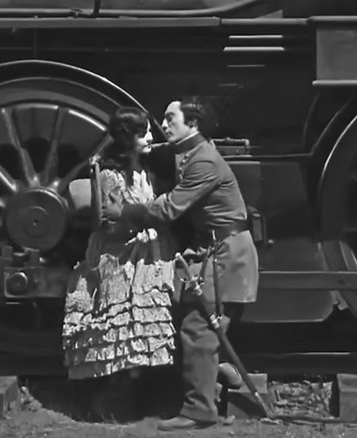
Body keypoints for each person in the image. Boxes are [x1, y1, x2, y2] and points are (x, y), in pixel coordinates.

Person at [104, 96, 259, 431]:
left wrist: (124, 212)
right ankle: (218, 370)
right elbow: (163, 152)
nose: (164, 122)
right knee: (182, 313)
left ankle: (199, 409)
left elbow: (170, 209)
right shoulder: (191, 151)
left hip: (224, 251)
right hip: (212, 247)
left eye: (171, 117)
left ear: (194, 123)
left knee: (198, 327)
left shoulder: (203, 162)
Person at [61, 107, 178, 412]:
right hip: (121, 255)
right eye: (144, 133)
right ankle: (113, 397)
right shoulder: (110, 175)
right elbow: (109, 222)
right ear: (128, 140)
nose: (151, 137)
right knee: (120, 325)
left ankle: (139, 392)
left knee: (148, 325)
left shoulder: (148, 171)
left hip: (148, 252)